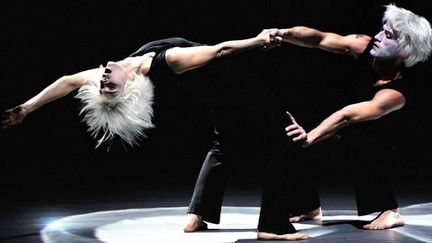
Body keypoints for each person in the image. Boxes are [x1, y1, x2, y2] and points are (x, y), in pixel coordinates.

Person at [1, 30, 310, 240]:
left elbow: (68, 81)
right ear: (130, 89)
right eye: (109, 87)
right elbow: (221, 50)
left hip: (215, 89)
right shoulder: (167, 62)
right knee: (286, 137)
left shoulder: (118, 70)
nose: (104, 79)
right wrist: (258, 40)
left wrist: (27, 108)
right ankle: (272, 225)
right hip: (233, 83)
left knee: (224, 145)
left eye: (102, 85)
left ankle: (198, 214)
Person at [278, 2, 432, 234]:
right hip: (347, 132)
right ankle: (309, 206)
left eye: (388, 36)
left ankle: (391, 210)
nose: (378, 36)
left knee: (355, 140)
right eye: (382, 29)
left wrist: (311, 137)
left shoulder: (397, 92)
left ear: (405, 51)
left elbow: (347, 115)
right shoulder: (364, 45)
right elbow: (319, 39)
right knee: (295, 140)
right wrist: (282, 34)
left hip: (384, 149)